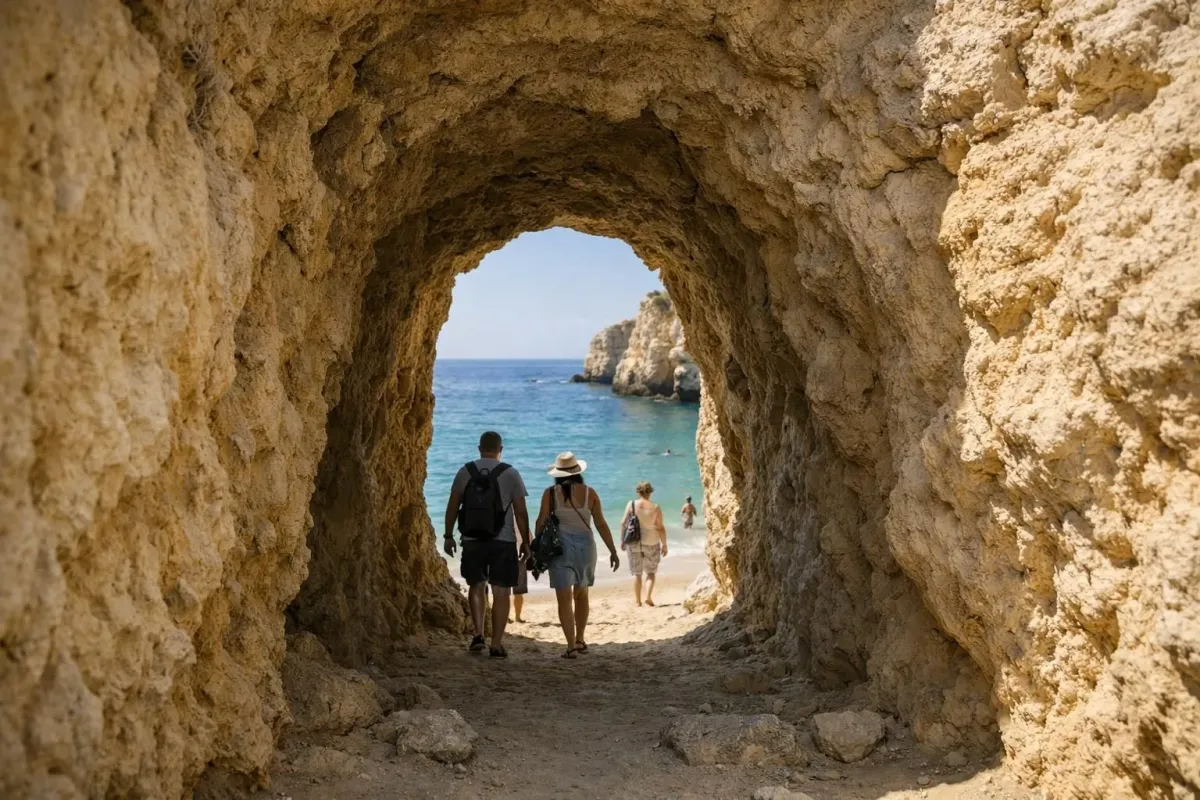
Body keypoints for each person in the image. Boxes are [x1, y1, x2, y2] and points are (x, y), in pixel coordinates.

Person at [443, 431, 530, 658]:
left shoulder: (465, 471)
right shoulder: (510, 473)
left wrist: (448, 535)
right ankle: (496, 644)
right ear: (501, 450)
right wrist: (526, 542)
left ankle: (478, 635)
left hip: (472, 539)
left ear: (479, 448)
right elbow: (521, 512)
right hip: (503, 540)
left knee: (476, 585)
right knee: (501, 591)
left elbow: (452, 506)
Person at [534, 452, 620, 658]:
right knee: (581, 595)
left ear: (557, 474)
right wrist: (613, 551)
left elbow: (541, 521)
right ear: (578, 472)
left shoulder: (550, 494)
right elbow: (600, 524)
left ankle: (571, 646)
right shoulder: (590, 493)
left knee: (564, 599)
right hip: (586, 548)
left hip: (560, 549)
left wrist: (536, 546)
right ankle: (580, 639)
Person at [621, 481, 668, 607]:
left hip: (634, 542)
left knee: (637, 573)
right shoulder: (656, 507)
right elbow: (660, 528)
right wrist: (664, 544)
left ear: (638, 492)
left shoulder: (631, 504)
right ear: (650, 492)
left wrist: (622, 540)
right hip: (652, 542)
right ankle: (648, 597)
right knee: (651, 572)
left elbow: (623, 523)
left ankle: (637, 601)